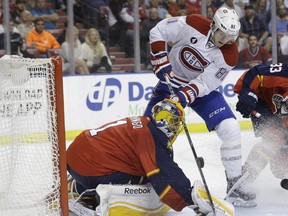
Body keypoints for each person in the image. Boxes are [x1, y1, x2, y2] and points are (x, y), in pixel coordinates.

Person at [144, 7, 257, 207]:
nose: (225, 41)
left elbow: (206, 83)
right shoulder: (194, 23)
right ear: (214, 25)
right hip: (170, 80)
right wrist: (160, 60)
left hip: (199, 90)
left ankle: (234, 183)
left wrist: (183, 96)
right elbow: (159, 30)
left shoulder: (229, 54)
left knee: (230, 127)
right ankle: (148, 177)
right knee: (147, 132)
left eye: (230, 38)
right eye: (222, 35)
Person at [66, 99, 234, 216]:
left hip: (77, 157)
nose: (176, 128)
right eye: (175, 122)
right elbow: (165, 175)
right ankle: (97, 196)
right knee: (146, 179)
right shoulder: (152, 136)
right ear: (165, 121)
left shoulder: (145, 123)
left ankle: (77, 187)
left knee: (137, 168)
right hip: (90, 167)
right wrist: (191, 199)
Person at [234, 62, 288, 199]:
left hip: (281, 112)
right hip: (262, 102)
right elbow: (255, 73)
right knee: (273, 139)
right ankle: (241, 184)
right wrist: (247, 94)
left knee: (279, 170)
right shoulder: (281, 75)